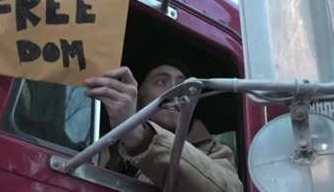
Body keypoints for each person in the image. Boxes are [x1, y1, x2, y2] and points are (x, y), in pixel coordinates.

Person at [84, 60, 243, 192]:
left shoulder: (214, 150)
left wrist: (138, 136)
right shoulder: (101, 146)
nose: (175, 91)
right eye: (161, 81)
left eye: (183, 85)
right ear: (138, 97)